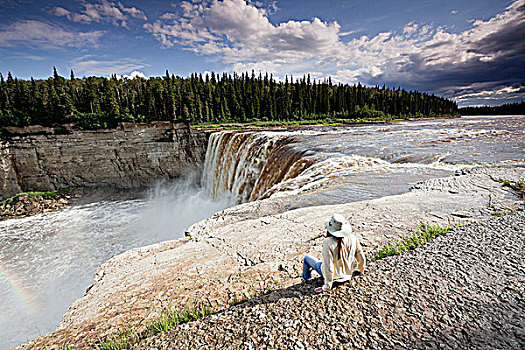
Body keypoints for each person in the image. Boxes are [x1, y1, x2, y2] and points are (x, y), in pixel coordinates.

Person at [301, 213, 366, 293]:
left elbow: (329, 266)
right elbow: (361, 256)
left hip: (334, 277)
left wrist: (327, 286)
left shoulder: (328, 242)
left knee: (307, 258)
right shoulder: (353, 238)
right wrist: (360, 270)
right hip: (347, 275)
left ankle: (306, 278)